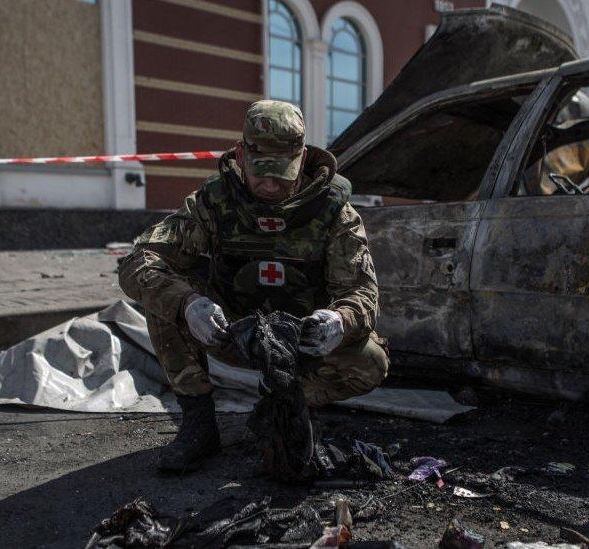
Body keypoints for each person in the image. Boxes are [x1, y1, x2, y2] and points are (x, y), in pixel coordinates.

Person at [119, 100, 388, 473]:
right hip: (231, 332)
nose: (271, 185)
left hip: (303, 341)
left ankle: (287, 402)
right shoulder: (212, 204)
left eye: (283, 173)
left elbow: (364, 292)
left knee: (370, 362)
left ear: (303, 157)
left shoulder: (334, 212)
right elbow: (138, 262)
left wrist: (339, 320)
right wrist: (189, 304)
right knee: (165, 297)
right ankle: (198, 424)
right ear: (242, 154)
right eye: (261, 171)